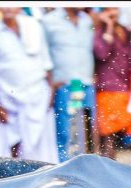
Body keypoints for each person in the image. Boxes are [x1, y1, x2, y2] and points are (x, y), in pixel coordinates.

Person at [0, 7, 58, 162]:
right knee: (10, 149)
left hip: (39, 96)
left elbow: (46, 63)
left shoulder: (34, 25)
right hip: (7, 100)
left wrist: (51, 94)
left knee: (42, 149)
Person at [41, 7, 96, 161]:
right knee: (64, 131)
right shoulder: (49, 21)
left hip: (85, 83)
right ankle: (64, 169)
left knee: (86, 129)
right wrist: (51, 81)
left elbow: (90, 50)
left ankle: (86, 166)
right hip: (64, 84)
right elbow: (43, 53)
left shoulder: (87, 20)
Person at [93, 7, 131, 160]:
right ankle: (108, 166)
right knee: (108, 135)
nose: (113, 12)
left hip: (125, 88)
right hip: (107, 88)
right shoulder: (99, 31)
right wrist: (108, 27)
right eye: (109, 9)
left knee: (122, 135)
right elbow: (102, 54)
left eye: (115, 9)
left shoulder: (124, 31)